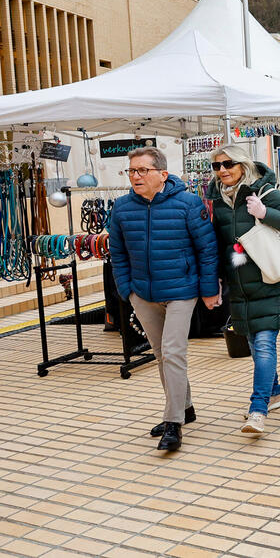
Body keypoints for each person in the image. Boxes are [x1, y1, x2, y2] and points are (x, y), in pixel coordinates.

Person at [109, 147, 219, 452]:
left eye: (143, 170)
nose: (136, 176)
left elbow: (207, 250)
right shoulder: (121, 208)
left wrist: (209, 290)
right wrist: (126, 290)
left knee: (173, 353)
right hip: (142, 294)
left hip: (181, 291)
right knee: (161, 354)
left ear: (162, 174)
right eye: (131, 171)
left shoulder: (188, 203)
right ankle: (186, 408)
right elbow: (117, 253)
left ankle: (173, 423)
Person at [210, 144, 280, 436]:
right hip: (239, 286)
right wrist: (215, 278)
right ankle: (274, 393)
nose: (223, 170)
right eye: (217, 166)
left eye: (228, 164)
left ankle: (258, 409)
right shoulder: (217, 201)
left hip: (269, 281)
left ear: (243, 165)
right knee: (254, 344)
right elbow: (218, 245)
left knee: (264, 345)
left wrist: (265, 213)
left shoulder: (264, 193)